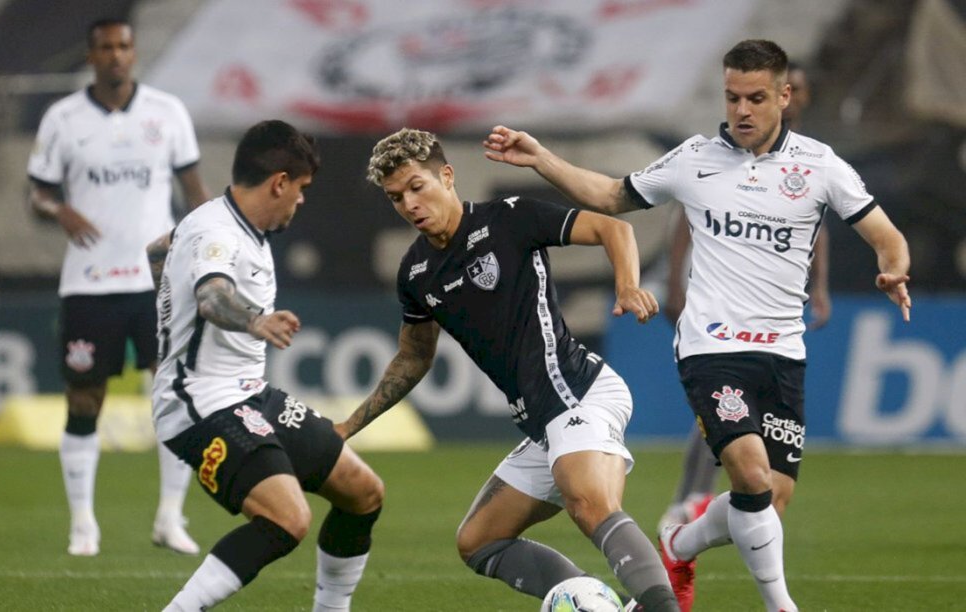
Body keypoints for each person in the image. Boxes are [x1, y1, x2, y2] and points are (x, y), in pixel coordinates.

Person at [482, 39, 911, 612]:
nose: (742, 110)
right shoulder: (695, 158)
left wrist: (894, 269)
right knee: (753, 476)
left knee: (767, 504)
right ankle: (782, 606)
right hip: (712, 351)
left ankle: (678, 543)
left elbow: (886, 236)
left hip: (783, 355)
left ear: (784, 96)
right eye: (733, 97)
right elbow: (612, 195)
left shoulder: (819, 166)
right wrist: (542, 159)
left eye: (756, 98)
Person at [337, 128, 678, 611]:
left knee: (589, 502)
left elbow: (613, 228)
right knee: (479, 541)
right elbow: (414, 357)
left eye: (417, 186)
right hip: (542, 421)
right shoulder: (415, 273)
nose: (409, 203)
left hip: (578, 392)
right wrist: (348, 427)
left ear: (447, 176)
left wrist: (627, 286)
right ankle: (609, 604)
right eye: (396, 197)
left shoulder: (509, 219)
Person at [149, 120, 384, 611]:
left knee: (362, 492)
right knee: (286, 518)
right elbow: (213, 297)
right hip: (200, 399)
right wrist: (255, 321)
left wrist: (169, 311)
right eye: (300, 190)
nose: (300, 202)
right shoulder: (218, 233)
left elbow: (157, 252)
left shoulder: (220, 223)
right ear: (279, 182)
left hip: (249, 393)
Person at [27, 18, 210, 556]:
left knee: (173, 397)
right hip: (87, 283)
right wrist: (58, 208)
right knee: (85, 399)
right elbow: (36, 191)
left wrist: (213, 250)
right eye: (105, 47)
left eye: (124, 46)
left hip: (157, 283)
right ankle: (83, 523)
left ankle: (170, 518)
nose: (116, 55)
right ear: (92, 54)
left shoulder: (167, 113)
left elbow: (194, 191)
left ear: (134, 53)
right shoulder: (63, 118)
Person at [657, 62, 832, 536]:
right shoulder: (720, 153)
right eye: (741, 98)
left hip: (771, 307)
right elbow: (684, 218)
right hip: (720, 303)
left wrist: (818, 286)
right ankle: (689, 497)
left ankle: (695, 517)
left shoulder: (809, 158)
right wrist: (675, 282)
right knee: (726, 405)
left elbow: (815, 228)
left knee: (743, 416)